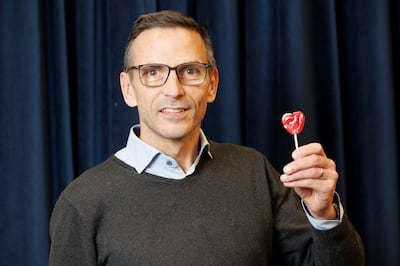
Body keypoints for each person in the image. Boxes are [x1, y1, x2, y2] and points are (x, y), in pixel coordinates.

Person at [49, 10, 365, 265]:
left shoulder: (254, 171)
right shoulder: (83, 203)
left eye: (190, 70)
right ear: (128, 88)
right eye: (153, 72)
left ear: (212, 83)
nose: (174, 90)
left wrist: (324, 217)